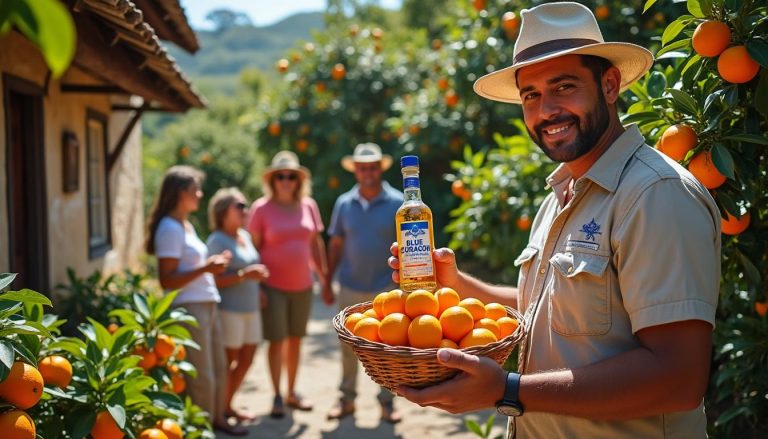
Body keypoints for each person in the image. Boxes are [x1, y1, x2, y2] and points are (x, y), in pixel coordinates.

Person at [388, 3, 720, 438]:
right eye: (532, 95)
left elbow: (678, 379)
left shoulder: (655, 194)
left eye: (564, 87)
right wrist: (457, 283)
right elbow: (549, 310)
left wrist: (508, 390)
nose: (546, 110)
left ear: (609, 85)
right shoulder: (563, 193)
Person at [145, 166, 246, 436]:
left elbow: (190, 267)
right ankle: (201, 429)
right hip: (190, 308)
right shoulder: (169, 228)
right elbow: (167, 279)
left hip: (206, 303)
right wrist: (205, 269)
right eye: (195, 190)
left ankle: (217, 420)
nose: (200, 194)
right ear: (180, 193)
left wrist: (213, 265)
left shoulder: (185, 225)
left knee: (218, 368)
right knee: (202, 373)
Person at [323, 143, 404, 423]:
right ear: (356, 171)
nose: (367, 172)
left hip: (387, 288)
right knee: (347, 347)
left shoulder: (397, 202)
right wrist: (326, 280)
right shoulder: (344, 203)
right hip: (349, 285)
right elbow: (335, 244)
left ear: (380, 169)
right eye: (362, 168)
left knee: (387, 348)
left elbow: (407, 246)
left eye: (372, 167)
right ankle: (347, 400)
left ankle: (387, 403)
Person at [246, 151, 329, 418]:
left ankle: (292, 392)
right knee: (276, 341)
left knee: (295, 340)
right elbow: (252, 251)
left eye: (291, 176)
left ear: (298, 180)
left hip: (303, 286)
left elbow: (316, 244)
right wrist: (256, 287)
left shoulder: (308, 205)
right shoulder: (261, 208)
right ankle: (277, 395)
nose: (285, 180)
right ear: (272, 180)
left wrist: (324, 278)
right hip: (273, 286)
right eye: (280, 176)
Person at [206, 187, 270, 422]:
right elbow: (213, 279)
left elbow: (251, 269)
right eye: (240, 206)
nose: (246, 210)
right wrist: (245, 275)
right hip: (229, 311)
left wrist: (258, 288)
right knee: (229, 363)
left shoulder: (243, 235)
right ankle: (221, 411)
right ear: (223, 211)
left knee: (247, 360)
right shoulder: (216, 240)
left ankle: (228, 405)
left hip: (251, 309)